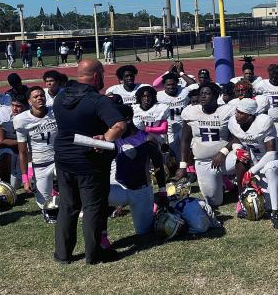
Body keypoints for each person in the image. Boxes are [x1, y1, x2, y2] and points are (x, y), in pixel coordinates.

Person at [52, 59, 126, 265]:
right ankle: (94, 254)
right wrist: (106, 137)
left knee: (68, 206)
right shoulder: (97, 100)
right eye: (102, 73)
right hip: (89, 161)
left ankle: (63, 254)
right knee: (93, 207)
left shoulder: (60, 97)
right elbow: (119, 125)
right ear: (96, 76)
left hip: (63, 158)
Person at [222, 98, 278, 228]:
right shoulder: (233, 122)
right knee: (228, 165)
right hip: (254, 157)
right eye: (236, 111)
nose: (237, 115)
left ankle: (276, 212)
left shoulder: (263, 123)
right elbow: (237, 138)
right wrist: (237, 150)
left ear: (250, 115)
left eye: (241, 113)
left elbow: (271, 154)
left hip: (274, 158)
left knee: (269, 173)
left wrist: (251, 171)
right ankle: (241, 196)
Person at [107, 104, 168, 240]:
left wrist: (162, 190)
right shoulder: (114, 138)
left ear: (127, 120)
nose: (111, 126)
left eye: (115, 122)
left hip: (141, 190)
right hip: (120, 188)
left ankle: (156, 208)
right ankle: (102, 235)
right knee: (96, 195)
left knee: (144, 233)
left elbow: (158, 166)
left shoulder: (149, 139)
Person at [177, 84, 235, 209]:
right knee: (214, 202)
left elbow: (238, 135)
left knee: (244, 157)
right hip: (203, 162)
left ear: (216, 96)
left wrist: (223, 152)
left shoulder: (227, 110)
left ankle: (244, 188)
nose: (203, 96)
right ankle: (223, 184)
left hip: (226, 157)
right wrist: (183, 166)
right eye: (201, 93)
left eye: (207, 93)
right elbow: (185, 140)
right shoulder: (191, 111)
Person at [15, 86, 59, 224]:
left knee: (71, 184)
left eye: (42, 95)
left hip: (59, 159)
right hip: (40, 163)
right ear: (29, 101)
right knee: (44, 201)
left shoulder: (55, 111)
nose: (40, 98)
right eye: (35, 96)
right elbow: (22, 151)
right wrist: (25, 177)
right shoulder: (22, 119)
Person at [157, 73, 191, 166]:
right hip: (169, 129)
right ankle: (178, 168)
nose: (171, 87)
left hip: (183, 127)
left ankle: (189, 169)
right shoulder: (158, 96)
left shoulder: (184, 91)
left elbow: (193, 84)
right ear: (163, 85)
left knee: (188, 148)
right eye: (168, 85)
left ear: (177, 84)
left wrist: (181, 73)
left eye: (173, 84)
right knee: (174, 151)